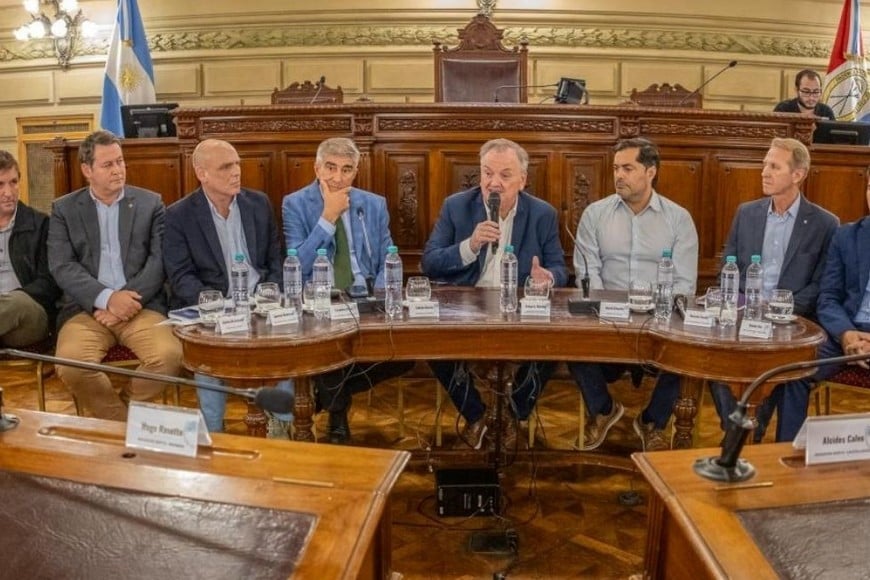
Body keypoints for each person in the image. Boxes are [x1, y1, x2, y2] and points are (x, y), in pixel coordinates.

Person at [421, 138, 568, 450]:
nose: (493, 183)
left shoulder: (543, 214)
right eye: (487, 174)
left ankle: (512, 414)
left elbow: (559, 267)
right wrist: (469, 246)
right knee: (430, 342)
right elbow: (430, 262)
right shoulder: (456, 206)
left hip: (518, 307)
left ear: (522, 180)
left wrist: (548, 277)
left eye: (504, 175)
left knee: (555, 345)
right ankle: (476, 415)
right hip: (467, 303)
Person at [568, 137, 698, 452]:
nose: (619, 176)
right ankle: (603, 410)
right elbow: (588, 274)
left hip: (657, 323)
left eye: (628, 168)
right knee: (569, 344)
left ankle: (653, 421)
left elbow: (684, 282)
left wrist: (655, 314)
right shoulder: (595, 215)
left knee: (686, 356)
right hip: (606, 320)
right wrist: (604, 311)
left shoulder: (678, 218)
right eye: (616, 168)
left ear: (650, 172)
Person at [282, 137, 412, 444]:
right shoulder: (295, 203)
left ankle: (321, 398)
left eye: (346, 170)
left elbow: (386, 257)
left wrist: (380, 297)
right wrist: (328, 217)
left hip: (364, 296)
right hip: (319, 300)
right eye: (330, 168)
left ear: (355, 173)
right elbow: (296, 264)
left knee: (405, 354)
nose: (338, 177)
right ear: (317, 168)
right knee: (332, 347)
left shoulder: (373, 204)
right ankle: (338, 415)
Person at [710, 137, 838, 442]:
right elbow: (728, 266)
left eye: (774, 166)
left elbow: (821, 285)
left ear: (798, 174)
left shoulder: (825, 224)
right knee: (713, 361)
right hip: (743, 315)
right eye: (765, 164)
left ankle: (742, 436)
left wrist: (778, 311)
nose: (764, 171)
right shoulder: (747, 213)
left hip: (790, 324)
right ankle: (740, 431)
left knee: (776, 369)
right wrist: (742, 308)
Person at [47, 130, 182, 420]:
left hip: (141, 305)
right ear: (87, 170)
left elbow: (159, 262)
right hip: (86, 310)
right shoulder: (64, 209)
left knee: (170, 356)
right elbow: (62, 266)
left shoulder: (150, 204)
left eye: (120, 162)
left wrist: (126, 303)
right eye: (108, 165)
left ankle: (119, 418)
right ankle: (123, 424)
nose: (118, 170)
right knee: (71, 363)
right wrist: (107, 299)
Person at [163, 139, 294, 434]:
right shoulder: (178, 215)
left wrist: (269, 295)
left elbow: (275, 260)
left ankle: (281, 428)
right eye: (226, 167)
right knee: (209, 353)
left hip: (261, 303)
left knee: (284, 346)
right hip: (213, 310)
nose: (236, 172)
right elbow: (181, 276)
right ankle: (214, 433)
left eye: (237, 164)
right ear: (202, 173)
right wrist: (217, 307)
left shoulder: (258, 204)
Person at [815, 166, 870, 381]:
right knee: (794, 371)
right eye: (869, 187)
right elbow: (828, 297)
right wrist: (846, 334)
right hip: (847, 332)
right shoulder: (847, 236)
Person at [0, 150, 59, 347]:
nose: (8, 192)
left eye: (13, 182)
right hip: (4, 331)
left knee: (15, 303)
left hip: (30, 315)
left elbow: (50, 283)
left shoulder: (41, 225)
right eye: (0, 184)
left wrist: (16, 295)